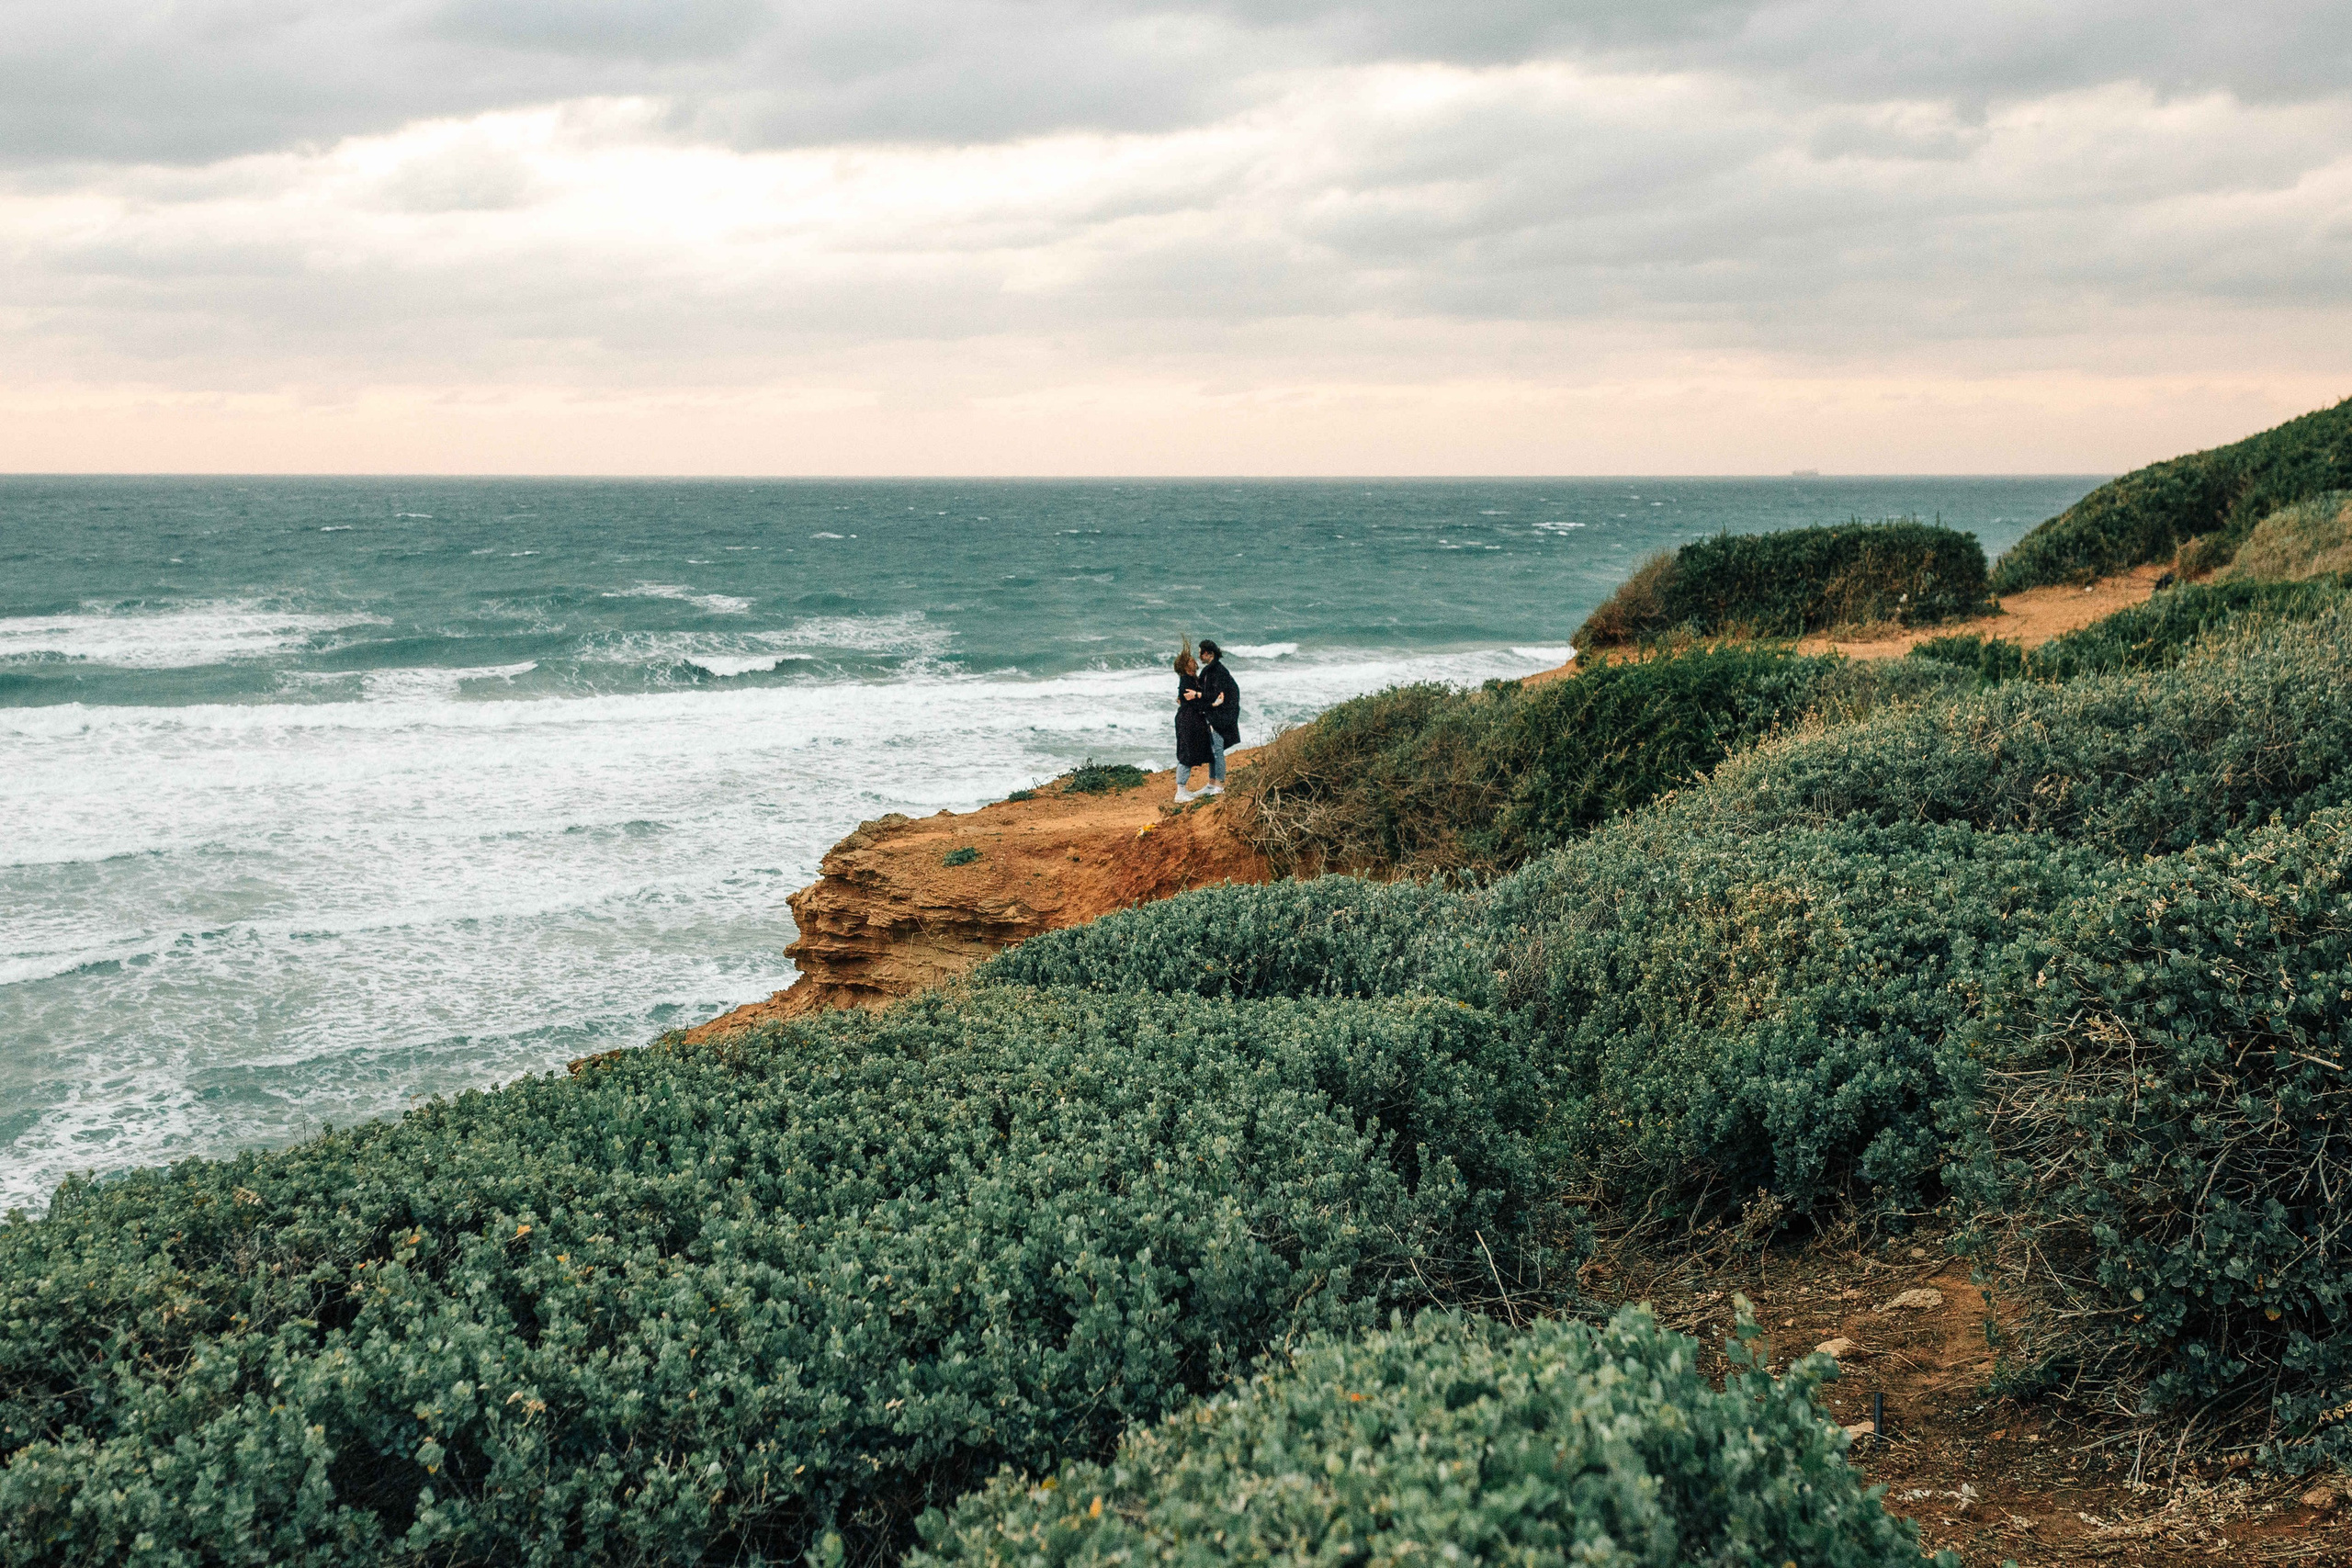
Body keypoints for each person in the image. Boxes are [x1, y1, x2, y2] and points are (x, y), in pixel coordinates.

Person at [1195, 639, 1240, 795]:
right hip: (1214, 713)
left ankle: (1219, 785)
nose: (1199, 656)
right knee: (1213, 748)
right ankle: (1211, 783)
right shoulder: (1210, 671)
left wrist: (1199, 696)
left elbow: (1218, 695)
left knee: (1217, 749)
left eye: (1201, 652)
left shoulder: (1219, 672)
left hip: (1220, 716)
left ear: (1209, 654)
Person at [1172, 642, 1215, 803]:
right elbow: (1193, 701)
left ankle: (1185, 790)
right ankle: (1180, 792)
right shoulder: (1186, 680)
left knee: (1193, 752)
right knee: (1186, 754)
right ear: (1185, 666)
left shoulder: (1192, 679)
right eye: (1190, 660)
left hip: (1193, 718)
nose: (1194, 661)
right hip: (1188, 719)